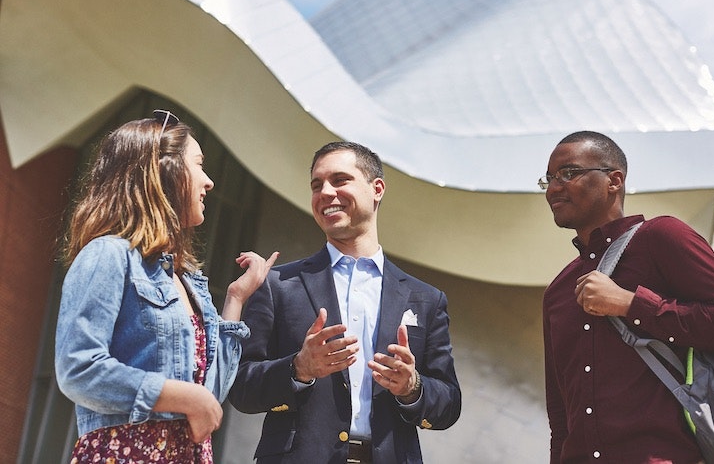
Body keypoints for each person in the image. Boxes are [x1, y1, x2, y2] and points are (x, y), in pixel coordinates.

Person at [55, 110, 279, 463]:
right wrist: (182, 396)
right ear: (163, 172)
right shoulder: (108, 254)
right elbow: (78, 369)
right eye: (199, 165)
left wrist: (236, 298)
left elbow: (211, 397)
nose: (209, 182)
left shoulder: (189, 281)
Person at [229, 141, 461, 464]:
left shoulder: (427, 299)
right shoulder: (277, 286)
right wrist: (299, 368)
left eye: (339, 180)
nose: (325, 192)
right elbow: (240, 386)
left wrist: (413, 386)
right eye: (316, 185)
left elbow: (449, 404)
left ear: (377, 188)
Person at [541, 130, 714, 464]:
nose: (555, 188)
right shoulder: (557, 292)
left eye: (569, 173)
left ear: (614, 180)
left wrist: (631, 304)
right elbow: (560, 412)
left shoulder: (662, 238)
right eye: (549, 178)